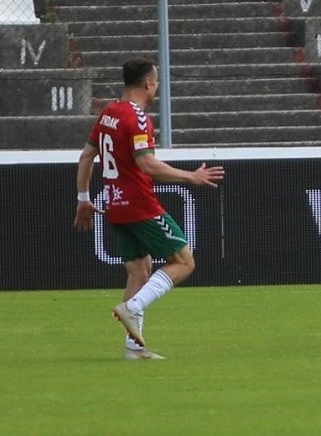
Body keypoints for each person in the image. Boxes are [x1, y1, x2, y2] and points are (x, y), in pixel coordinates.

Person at [74, 57, 224, 360]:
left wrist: (83, 198)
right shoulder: (138, 118)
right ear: (147, 83)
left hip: (115, 205)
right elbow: (147, 164)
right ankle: (133, 306)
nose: (156, 88)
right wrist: (191, 177)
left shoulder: (108, 114)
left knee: (139, 271)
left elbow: (86, 156)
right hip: (140, 205)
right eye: (156, 82)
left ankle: (134, 348)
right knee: (184, 261)